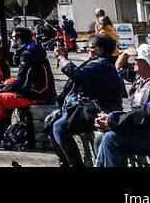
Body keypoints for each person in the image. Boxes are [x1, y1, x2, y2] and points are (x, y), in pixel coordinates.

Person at [51, 32, 125, 167]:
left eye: (90, 47)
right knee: (52, 120)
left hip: (101, 111)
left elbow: (77, 75)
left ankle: (75, 164)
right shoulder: (101, 62)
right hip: (92, 108)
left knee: (59, 127)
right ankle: (66, 162)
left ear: (100, 49)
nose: (87, 49)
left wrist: (62, 58)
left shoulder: (101, 64)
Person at [0, 27, 56, 145]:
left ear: (19, 40)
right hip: (42, 91)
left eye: (13, 38)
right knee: (7, 83)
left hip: (37, 94)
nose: (11, 40)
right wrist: (6, 87)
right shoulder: (34, 51)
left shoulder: (27, 55)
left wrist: (1, 91)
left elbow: (21, 81)